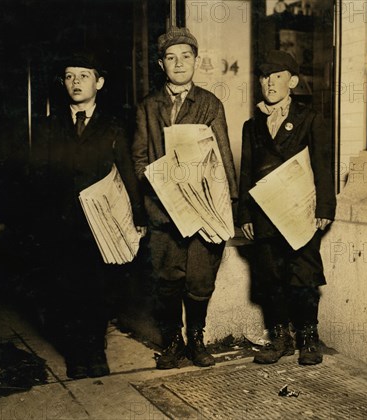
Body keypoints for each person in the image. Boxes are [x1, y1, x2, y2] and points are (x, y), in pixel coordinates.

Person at [28, 52, 147, 379]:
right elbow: (38, 175)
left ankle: (95, 350)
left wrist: (138, 215)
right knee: (65, 288)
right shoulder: (50, 125)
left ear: (99, 82)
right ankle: (75, 353)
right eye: (69, 75)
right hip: (62, 223)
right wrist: (40, 222)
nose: (76, 82)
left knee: (99, 288)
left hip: (101, 225)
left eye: (83, 75)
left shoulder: (113, 126)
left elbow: (125, 171)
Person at [132, 27, 238, 369]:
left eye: (186, 56)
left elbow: (222, 158)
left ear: (196, 61)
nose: (179, 64)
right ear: (161, 64)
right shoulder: (149, 106)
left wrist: (227, 207)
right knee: (167, 280)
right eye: (171, 57)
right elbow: (138, 157)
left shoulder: (209, 103)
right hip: (163, 212)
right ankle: (173, 341)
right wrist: (155, 185)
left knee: (199, 280)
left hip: (203, 213)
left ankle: (196, 339)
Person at [237, 50, 336, 365]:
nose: (269, 83)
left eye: (278, 76)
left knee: (302, 273)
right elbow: (246, 175)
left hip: (300, 212)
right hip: (265, 213)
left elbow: (322, 166)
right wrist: (245, 214)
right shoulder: (251, 126)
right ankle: (280, 337)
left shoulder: (310, 119)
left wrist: (324, 207)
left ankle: (308, 337)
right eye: (265, 76)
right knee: (270, 275)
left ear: (292, 81)